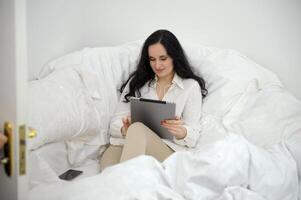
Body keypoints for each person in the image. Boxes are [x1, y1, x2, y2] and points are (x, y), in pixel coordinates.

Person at [100, 29, 208, 170]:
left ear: (174, 57)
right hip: (124, 144)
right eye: (152, 59)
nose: (157, 65)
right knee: (108, 181)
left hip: (164, 150)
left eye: (163, 58)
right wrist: (124, 130)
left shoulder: (190, 87)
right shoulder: (137, 82)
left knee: (137, 129)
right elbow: (114, 123)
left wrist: (181, 131)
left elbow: (193, 136)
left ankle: (129, 180)